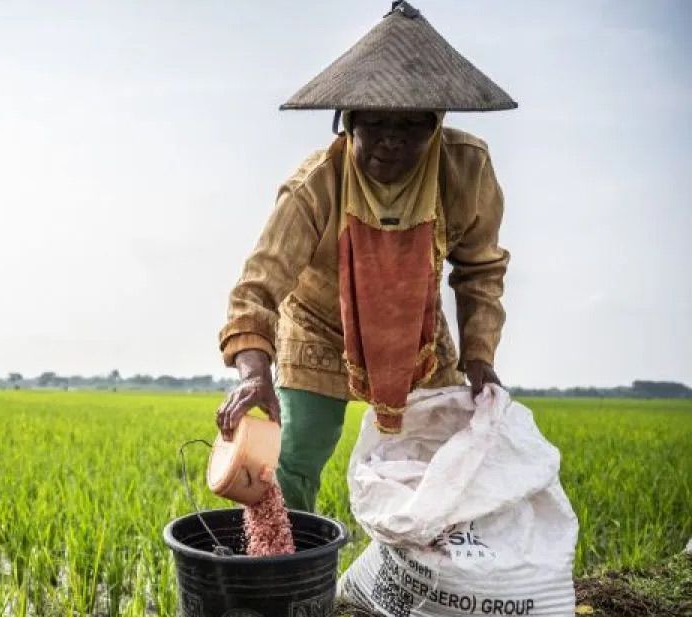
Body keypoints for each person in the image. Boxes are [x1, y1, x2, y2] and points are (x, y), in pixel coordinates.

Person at [216, 1, 515, 513]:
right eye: (374, 124)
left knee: (437, 460)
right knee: (297, 450)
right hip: (320, 327)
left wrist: (480, 357)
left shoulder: (465, 169)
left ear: (436, 126)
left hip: (415, 330)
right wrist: (253, 374)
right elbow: (258, 286)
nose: (391, 142)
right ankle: (285, 565)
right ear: (347, 122)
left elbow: (480, 269)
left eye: (411, 127)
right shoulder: (317, 184)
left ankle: (420, 573)